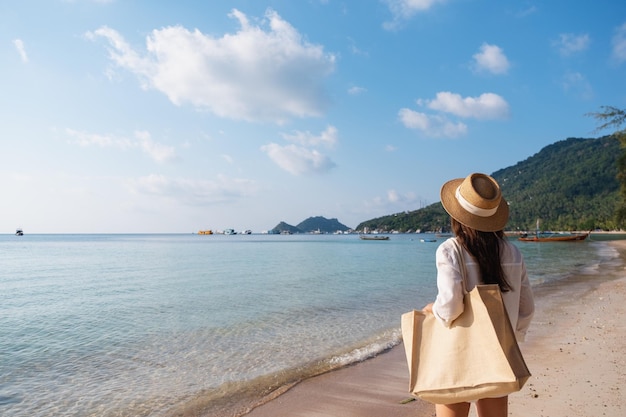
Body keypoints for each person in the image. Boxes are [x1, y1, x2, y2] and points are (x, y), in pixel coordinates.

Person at [422, 173, 535, 417]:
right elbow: (526, 308)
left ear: (457, 215)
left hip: (457, 358)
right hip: (498, 356)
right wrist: (512, 338)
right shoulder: (512, 252)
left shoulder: (450, 250)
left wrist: (433, 309)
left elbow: (451, 306)